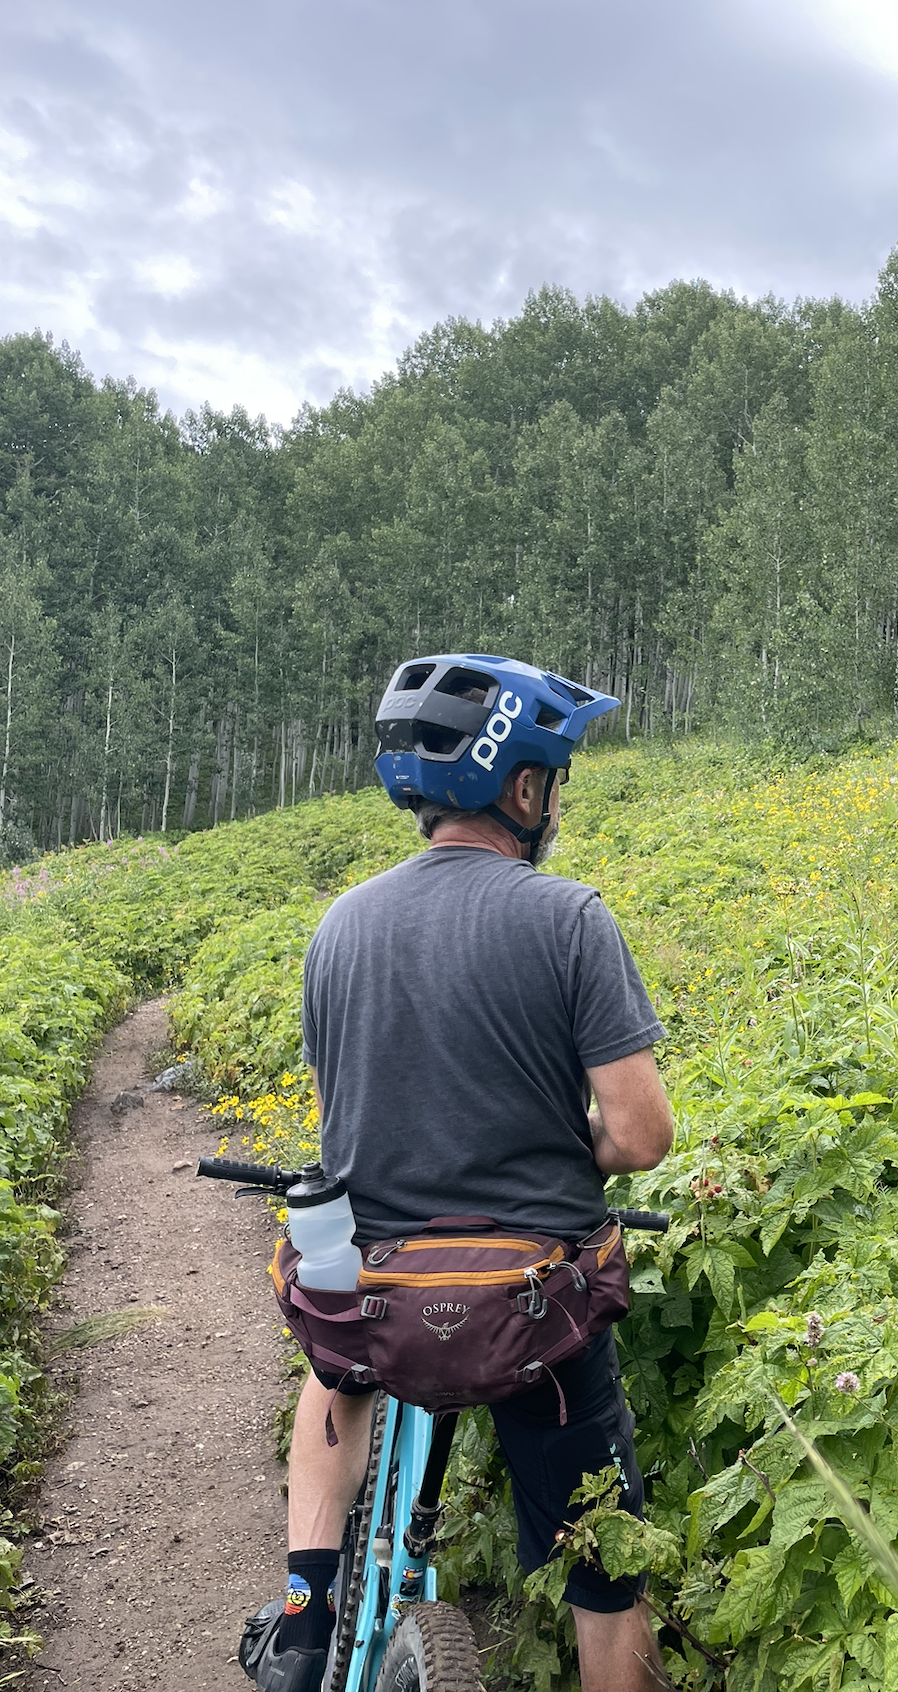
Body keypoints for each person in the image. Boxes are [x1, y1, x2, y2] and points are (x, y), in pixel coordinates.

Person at [240, 656, 674, 1692]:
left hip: (376, 1285)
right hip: (526, 1302)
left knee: (334, 1381)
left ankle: (304, 1612)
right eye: (554, 781)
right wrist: (570, 1149)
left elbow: (350, 1109)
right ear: (521, 788)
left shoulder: (337, 927)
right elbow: (641, 1134)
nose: (556, 803)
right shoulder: (567, 918)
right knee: (603, 1556)